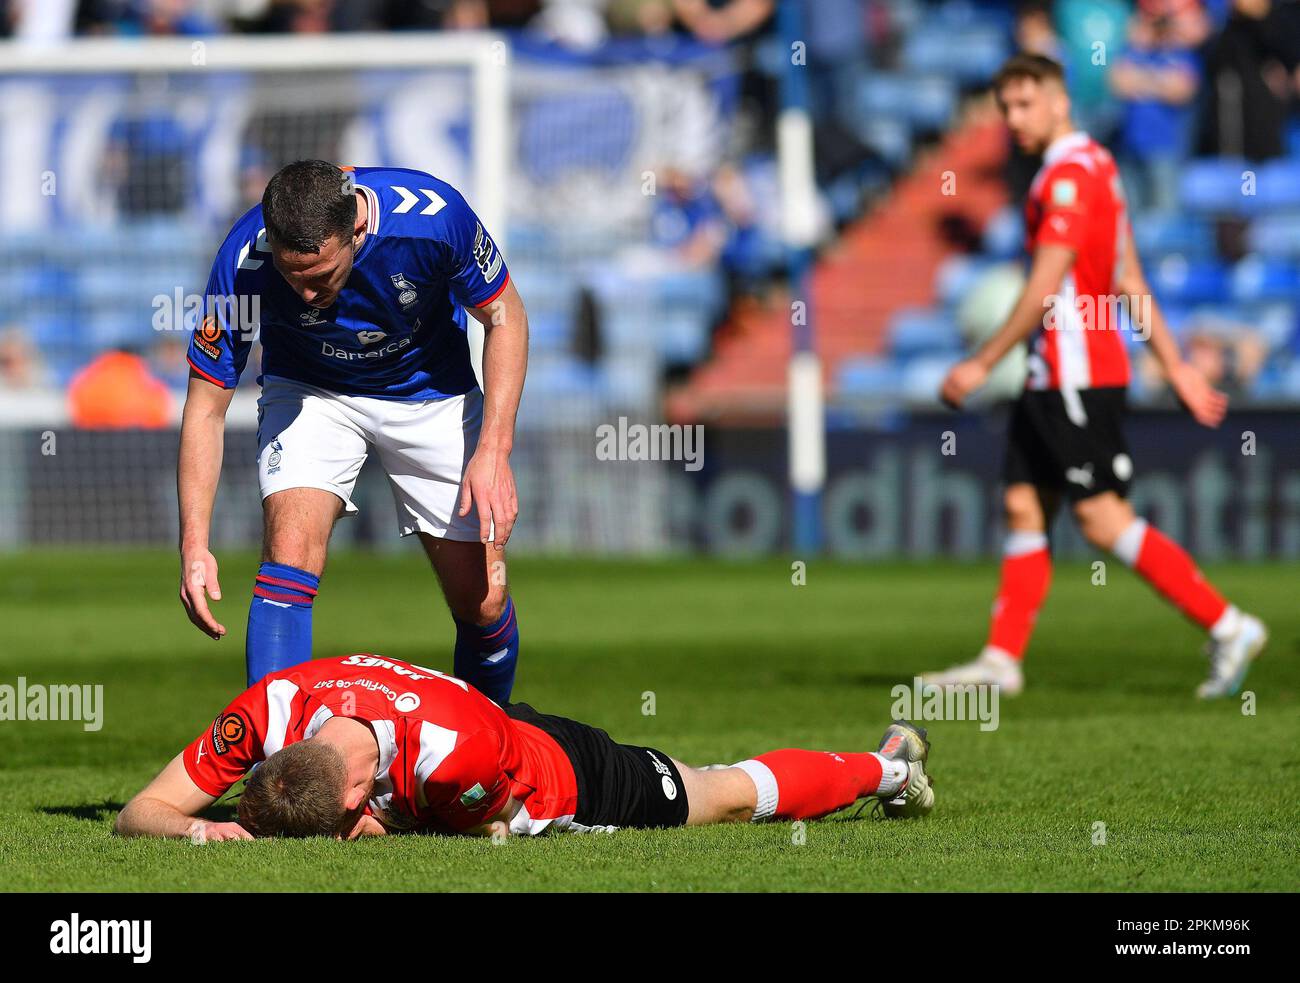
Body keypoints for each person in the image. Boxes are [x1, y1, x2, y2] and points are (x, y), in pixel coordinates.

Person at [929, 54, 1267, 700]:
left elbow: (1044, 285)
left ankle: (1229, 624)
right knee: (1024, 502)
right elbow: (1129, 279)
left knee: (1104, 520)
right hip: (1050, 373)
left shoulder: (1068, 179)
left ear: (1061, 101)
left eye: (1026, 104)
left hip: (1076, 373)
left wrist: (980, 359)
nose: (1014, 119)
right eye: (1006, 108)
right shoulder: (1098, 168)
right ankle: (1002, 659)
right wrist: (1180, 370)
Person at [179, 161, 528, 701]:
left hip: (430, 392)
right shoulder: (245, 255)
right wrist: (195, 544)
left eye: (319, 277)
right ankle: (279, 764)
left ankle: (484, 755)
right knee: (288, 551)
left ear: (357, 230)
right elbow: (206, 404)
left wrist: (494, 451)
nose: (304, 296)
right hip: (310, 390)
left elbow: (506, 315)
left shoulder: (432, 219)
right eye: (292, 278)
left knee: (483, 601)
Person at [113, 654, 934, 840]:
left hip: (559, 778)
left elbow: (487, 831)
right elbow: (136, 813)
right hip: (495, 723)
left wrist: (387, 831)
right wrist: (199, 827)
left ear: (358, 801)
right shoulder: (270, 706)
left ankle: (892, 765)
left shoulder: (452, 756)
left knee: (716, 791)